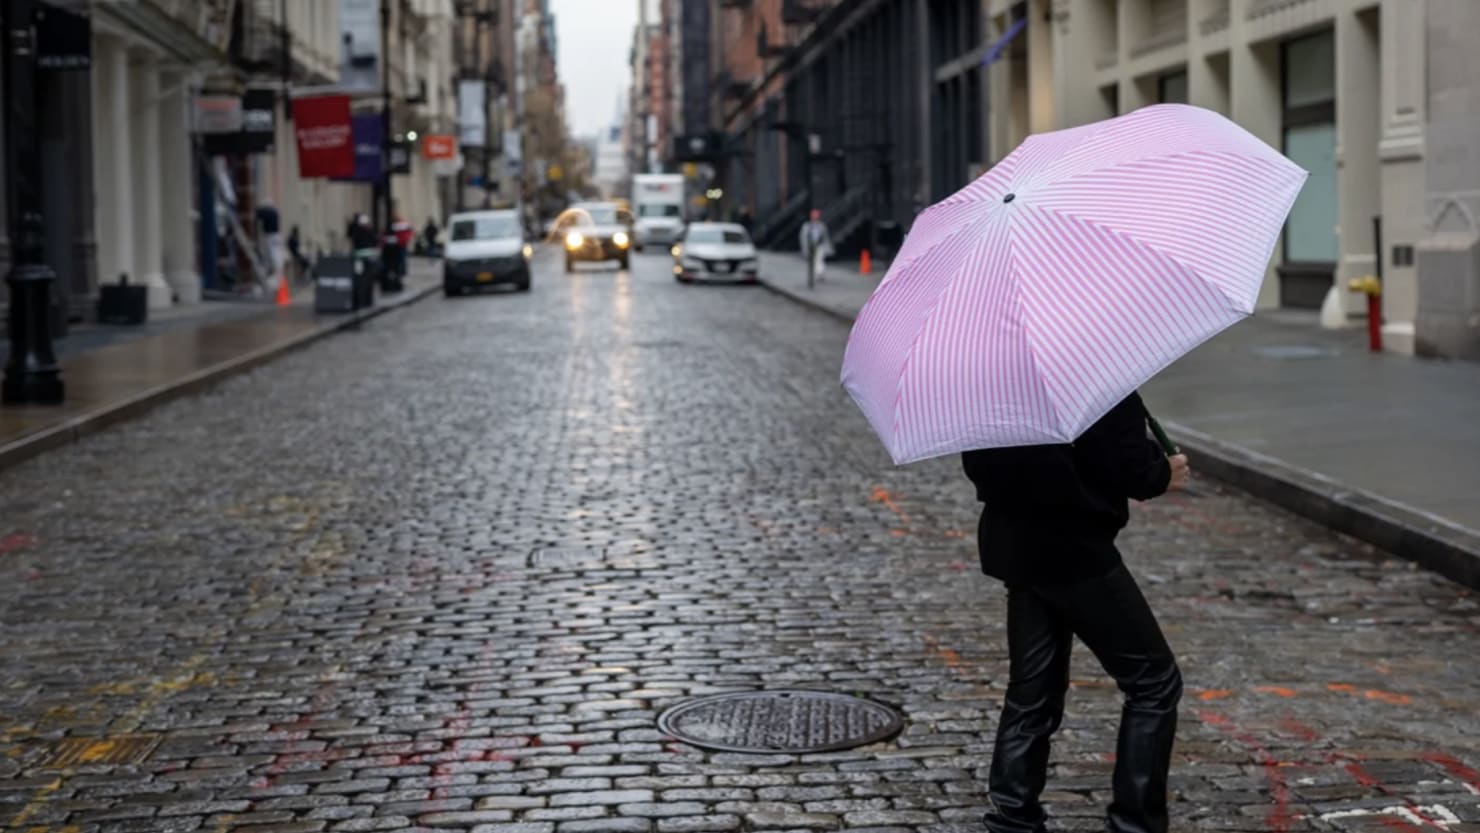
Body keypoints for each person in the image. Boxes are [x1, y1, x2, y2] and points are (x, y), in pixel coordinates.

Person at [963, 392, 1191, 833]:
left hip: (1015, 543)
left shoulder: (986, 385)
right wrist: (1164, 471)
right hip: (1074, 550)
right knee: (1155, 684)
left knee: (1033, 691)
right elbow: (1128, 466)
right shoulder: (1092, 372)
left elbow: (982, 467)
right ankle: (1135, 824)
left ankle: (1012, 817)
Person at [798, 209, 832, 284]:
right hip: (811, 246)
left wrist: (827, 247)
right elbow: (803, 237)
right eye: (813, 215)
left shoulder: (822, 226)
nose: (815, 217)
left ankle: (820, 273)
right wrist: (804, 248)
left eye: (816, 215)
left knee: (819, 260)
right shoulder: (807, 226)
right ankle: (819, 274)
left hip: (820, 246)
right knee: (814, 261)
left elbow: (825, 237)